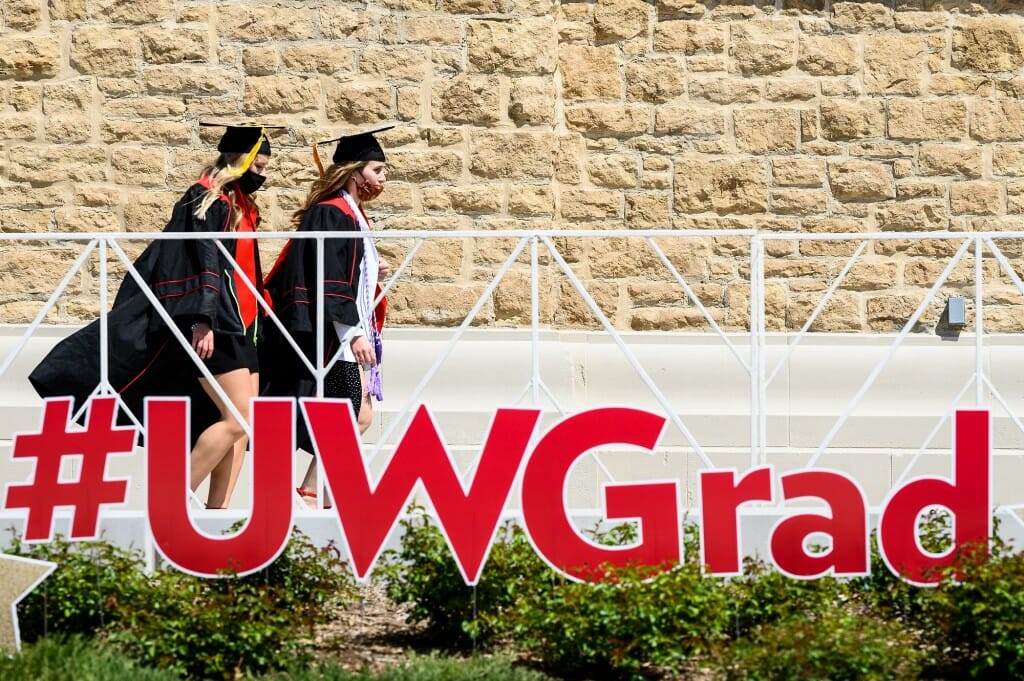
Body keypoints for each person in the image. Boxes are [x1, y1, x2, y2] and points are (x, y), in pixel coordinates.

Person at [30, 122, 280, 509]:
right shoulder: (206, 197)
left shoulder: (240, 204)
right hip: (216, 319)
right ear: (239, 161)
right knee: (237, 416)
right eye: (258, 167)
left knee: (246, 426)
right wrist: (202, 317)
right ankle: (167, 503)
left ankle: (217, 514)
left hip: (244, 324)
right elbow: (200, 259)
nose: (262, 175)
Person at [261, 126, 392, 509]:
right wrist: (353, 334)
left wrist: (373, 270)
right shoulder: (332, 213)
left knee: (360, 415)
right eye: (377, 171)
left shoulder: (351, 212)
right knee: (347, 413)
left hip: (345, 330)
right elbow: (330, 277)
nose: (382, 180)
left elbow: (347, 269)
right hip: (336, 334)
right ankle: (315, 494)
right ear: (355, 173)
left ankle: (320, 491)